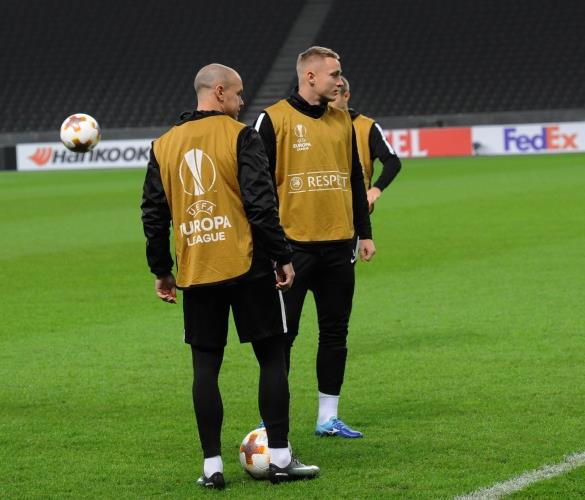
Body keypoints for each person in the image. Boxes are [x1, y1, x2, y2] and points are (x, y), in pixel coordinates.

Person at [141, 63, 319, 489]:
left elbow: (153, 214)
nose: (242, 102)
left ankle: (212, 468)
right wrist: (282, 256)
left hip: (197, 269)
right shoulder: (241, 136)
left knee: (205, 368)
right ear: (219, 92)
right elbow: (260, 203)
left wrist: (162, 270)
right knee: (271, 357)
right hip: (248, 265)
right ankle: (280, 459)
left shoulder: (163, 145)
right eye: (238, 94)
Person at [254, 47, 375, 439]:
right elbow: (256, 187)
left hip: (339, 246)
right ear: (310, 76)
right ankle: (272, 420)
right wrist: (270, 248)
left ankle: (328, 416)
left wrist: (365, 232)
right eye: (334, 74)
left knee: (335, 332)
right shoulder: (273, 119)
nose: (340, 81)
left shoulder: (342, 121)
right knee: (282, 337)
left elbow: (355, 179)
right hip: (292, 249)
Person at [330, 76, 401, 212]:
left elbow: (392, 162)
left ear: (346, 96)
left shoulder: (367, 127)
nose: (328, 103)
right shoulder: (316, 125)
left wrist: (377, 188)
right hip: (325, 206)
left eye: (333, 97)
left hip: (356, 207)